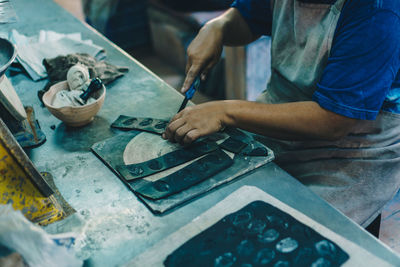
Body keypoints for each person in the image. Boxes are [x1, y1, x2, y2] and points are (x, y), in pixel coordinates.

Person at [162, 0, 400, 227]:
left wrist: (225, 112)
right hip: (279, 116)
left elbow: (333, 122)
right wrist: (217, 27)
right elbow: (248, 18)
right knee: (203, 201)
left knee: (286, 237)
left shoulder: (377, 12)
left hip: (355, 149)